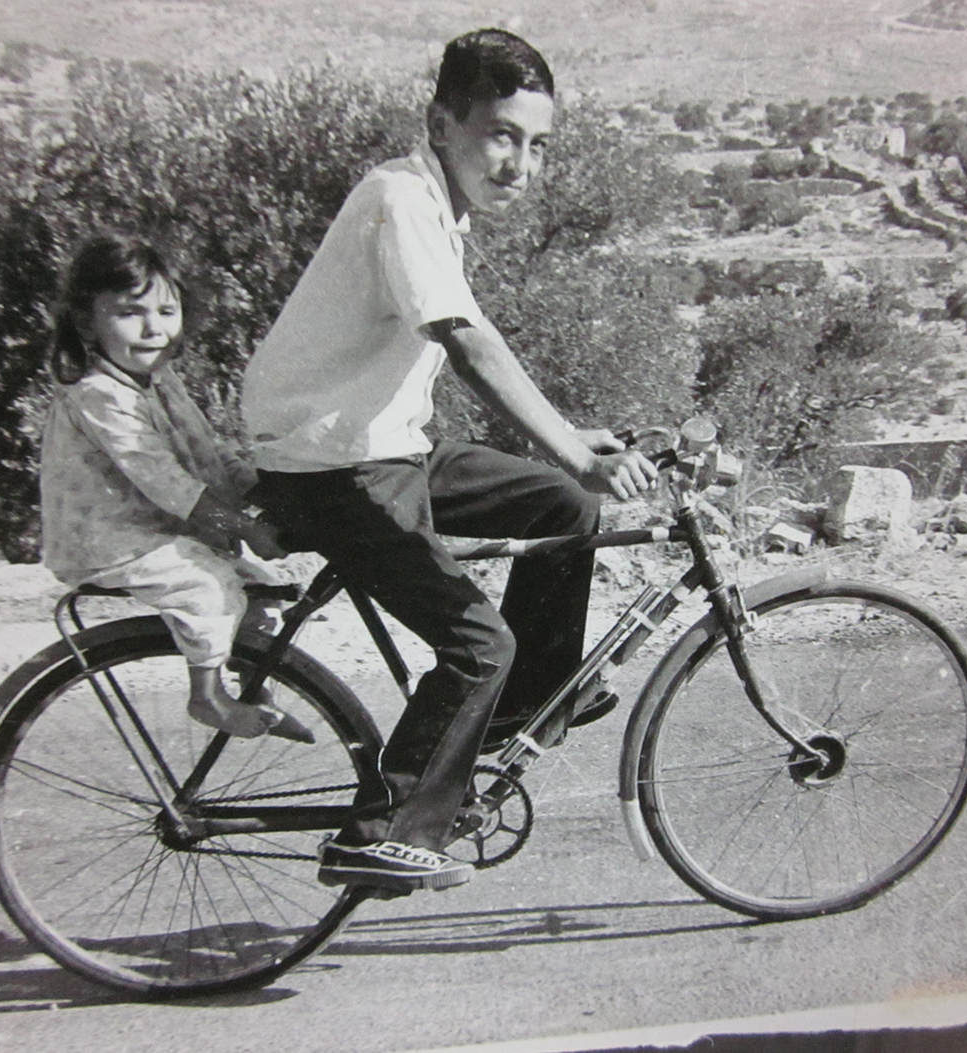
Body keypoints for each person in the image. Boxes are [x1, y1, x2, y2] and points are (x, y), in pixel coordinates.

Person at [241, 28, 660, 894]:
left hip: (380, 448)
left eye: (537, 145)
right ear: (442, 121)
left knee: (560, 506)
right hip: (333, 465)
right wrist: (575, 445)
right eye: (502, 134)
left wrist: (570, 448)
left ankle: (514, 713)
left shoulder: (435, 204)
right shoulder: (401, 198)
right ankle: (382, 827)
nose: (520, 163)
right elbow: (466, 342)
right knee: (477, 641)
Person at [40, 233, 310, 743]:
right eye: (129, 313)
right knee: (208, 586)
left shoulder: (162, 381)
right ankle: (207, 697)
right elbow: (162, 478)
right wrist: (242, 526)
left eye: (167, 311)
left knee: (267, 592)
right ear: (85, 323)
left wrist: (269, 485)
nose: (152, 329)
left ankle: (253, 684)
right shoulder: (99, 394)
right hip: (111, 538)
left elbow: (206, 454)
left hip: (158, 531)